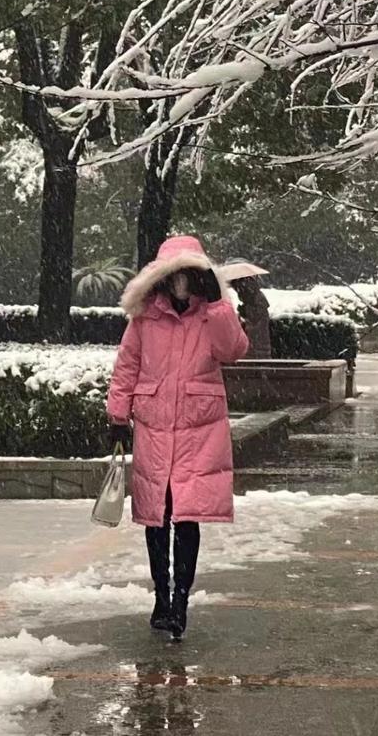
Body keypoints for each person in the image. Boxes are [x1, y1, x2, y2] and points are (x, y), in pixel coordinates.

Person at [107, 235, 248, 640]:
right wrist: (118, 415)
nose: (181, 283)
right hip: (154, 428)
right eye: (175, 274)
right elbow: (127, 365)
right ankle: (161, 596)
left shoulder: (213, 315)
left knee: (187, 518)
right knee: (157, 517)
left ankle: (181, 599)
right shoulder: (145, 318)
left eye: (189, 275)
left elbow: (234, 350)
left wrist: (219, 303)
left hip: (198, 430)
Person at [235, 276, 272, 358]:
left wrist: (245, 311)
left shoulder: (257, 303)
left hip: (257, 349)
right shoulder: (255, 301)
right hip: (255, 347)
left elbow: (255, 321)